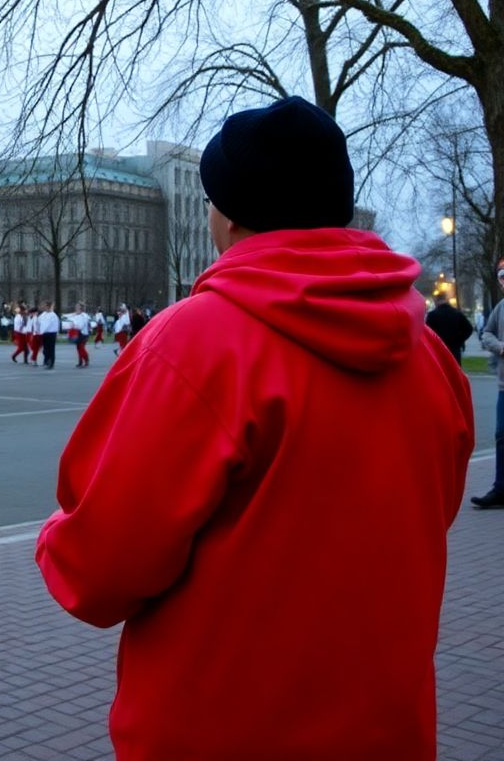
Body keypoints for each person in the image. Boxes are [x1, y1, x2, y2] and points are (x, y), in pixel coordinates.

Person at [36, 97, 473, 761]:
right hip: (386, 728)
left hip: (219, 731)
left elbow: (100, 570)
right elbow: (426, 516)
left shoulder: (196, 344)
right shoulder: (429, 357)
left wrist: (55, 540)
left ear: (231, 213)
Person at [473, 262, 504, 508]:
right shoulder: (501, 307)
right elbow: (486, 333)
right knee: (501, 436)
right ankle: (500, 488)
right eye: (502, 278)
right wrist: (500, 347)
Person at [425, 290, 473, 364]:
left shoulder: (432, 315)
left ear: (436, 301)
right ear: (446, 300)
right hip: (454, 349)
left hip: (439, 349)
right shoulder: (456, 313)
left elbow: (427, 333)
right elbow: (469, 329)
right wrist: (460, 340)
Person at [38, 300, 60, 370]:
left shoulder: (53, 315)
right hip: (44, 334)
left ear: (48, 306)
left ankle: (51, 363)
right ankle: (47, 360)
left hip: (51, 333)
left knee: (51, 349)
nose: (43, 307)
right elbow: (38, 322)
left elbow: (54, 325)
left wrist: (57, 334)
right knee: (45, 349)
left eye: (45, 305)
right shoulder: (43, 314)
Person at [71, 303, 91, 367]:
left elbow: (82, 325)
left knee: (81, 348)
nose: (76, 307)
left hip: (83, 333)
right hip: (77, 333)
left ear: (81, 308)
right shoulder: (75, 315)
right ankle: (80, 361)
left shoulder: (84, 316)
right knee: (78, 348)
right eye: (76, 306)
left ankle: (86, 359)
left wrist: (75, 326)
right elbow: (72, 322)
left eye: (77, 306)